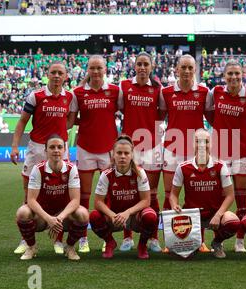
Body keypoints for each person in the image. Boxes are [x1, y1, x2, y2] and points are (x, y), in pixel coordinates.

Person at [11, 62, 75, 256]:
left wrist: (61, 134)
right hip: (37, 148)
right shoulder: (36, 96)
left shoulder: (69, 97)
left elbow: (70, 120)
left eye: (60, 73)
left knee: (61, 193)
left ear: (65, 76)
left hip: (59, 148)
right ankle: (26, 239)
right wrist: (14, 146)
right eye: (53, 72)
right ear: (47, 75)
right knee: (28, 194)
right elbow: (22, 121)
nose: (56, 76)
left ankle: (58, 239)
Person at [160, 54, 212, 252]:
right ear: (176, 69)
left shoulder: (204, 92)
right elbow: (160, 117)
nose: (187, 71)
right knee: (168, 196)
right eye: (184, 67)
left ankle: (200, 240)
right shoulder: (166, 93)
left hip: (196, 151)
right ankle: (169, 240)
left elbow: (211, 117)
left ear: (195, 70)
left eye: (190, 68)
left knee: (197, 196)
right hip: (172, 150)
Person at [69, 55, 120, 254]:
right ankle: (82, 238)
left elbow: (123, 111)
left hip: (108, 149)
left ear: (105, 69)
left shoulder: (115, 91)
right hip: (85, 148)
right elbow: (72, 120)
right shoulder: (78, 93)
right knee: (84, 195)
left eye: (99, 68)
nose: (96, 71)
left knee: (107, 195)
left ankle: (108, 238)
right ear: (87, 70)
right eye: (92, 68)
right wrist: (90, 124)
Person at [206, 60, 246, 253]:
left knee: (242, 200)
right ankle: (217, 241)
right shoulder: (216, 92)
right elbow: (210, 115)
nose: (234, 77)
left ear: (243, 75)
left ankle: (240, 241)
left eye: (237, 74)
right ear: (224, 76)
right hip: (219, 153)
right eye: (230, 74)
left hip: (242, 152)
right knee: (219, 199)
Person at [117, 52, 164, 253]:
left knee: (152, 194)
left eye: (146, 64)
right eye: (139, 64)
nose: (143, 67)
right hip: (129, 149)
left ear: (151, 67)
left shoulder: (157, 89)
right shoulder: (125, 86)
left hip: (152, 147)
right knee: (129, 194)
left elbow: (161, 114)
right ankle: (127, 237)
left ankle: (153, 237)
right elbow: (119, 108)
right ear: (134, 67)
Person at [15, 134, 89, 261]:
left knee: (83, 213)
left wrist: (59, 218)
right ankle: (31, 247)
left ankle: (69, 247)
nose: (56, 150)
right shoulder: (38, 169)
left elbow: (76, 200)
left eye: (59, 147)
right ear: (46, 150)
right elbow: (31, 200)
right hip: (42, 216)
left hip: (63, 217)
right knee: (22, 212)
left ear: (64, 150)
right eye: (52, 147)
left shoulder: (71, 169)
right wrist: (48, 218)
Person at [170, 129, 240, 259]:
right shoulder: (183, 167)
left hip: (215, 215)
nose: (202, 145)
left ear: (211, 144)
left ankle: (217, 242)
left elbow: (230, 195)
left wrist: (218, 215)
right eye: (198, 141)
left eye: (206, 142)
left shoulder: (220, 166)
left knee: (233, 222)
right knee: (184, 256)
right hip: (192, 216)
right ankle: (195, 244)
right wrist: (174, 205)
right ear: (193, 144)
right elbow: (173, 194)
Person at [89, 135, 158, 259]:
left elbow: (146, 200)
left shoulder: (139, 172)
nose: (122, 156)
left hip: (135, 217)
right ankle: (110, 242)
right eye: (119, 153)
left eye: (126, 153)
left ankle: (142, 245)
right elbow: (98, 202)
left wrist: (127, 213)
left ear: (132, 155)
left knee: (150, 216)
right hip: (114, 217)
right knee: (94, 216)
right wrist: (111, 215)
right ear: (113, 154)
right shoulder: (106, 174)